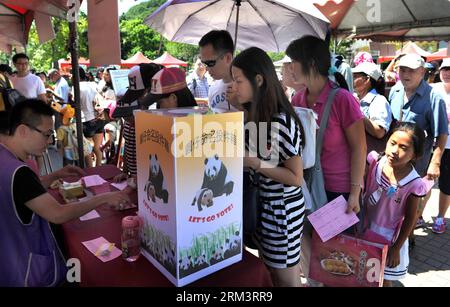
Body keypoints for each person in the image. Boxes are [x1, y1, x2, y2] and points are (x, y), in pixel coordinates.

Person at [0, 99, 131, 286]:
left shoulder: (5, 157)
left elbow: (25, 192)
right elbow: (58, 214)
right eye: (46, 135)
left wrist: (56, 174)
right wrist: (105, 197)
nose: (49, 142)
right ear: (23, 131)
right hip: (23, 267)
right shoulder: (19, 172)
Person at [232, 47, 305, 287]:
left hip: (281, 213)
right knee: (270, 272)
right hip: (263, 208)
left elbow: (295, 177)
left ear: (259, 80)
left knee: (284, 278)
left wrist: (255, 163)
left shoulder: (280, 120)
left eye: (238, 80)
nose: (234, 86)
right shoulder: (256, 114)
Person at [287, 36, 365, 213]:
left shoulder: (343, 100)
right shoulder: (297, 99)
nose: (290, 68)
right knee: (309, 239)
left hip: (338, 190)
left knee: (330, 241)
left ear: (311, 63)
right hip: (306, 184)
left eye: (294, 62)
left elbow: (359, 148)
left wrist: (354, 192)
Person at [389, 54, 448, 232]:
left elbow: (442, 133)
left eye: (411, 71)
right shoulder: (395, 90)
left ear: (422, 72)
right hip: (395, 161)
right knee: (394, 202)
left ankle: (408, 237)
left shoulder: (433, 97)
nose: (405, 74)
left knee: (413, 204)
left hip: (418, 165)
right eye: (402, 69)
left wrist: (435, 162)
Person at [364, 122, 427, 286]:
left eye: (403, 147)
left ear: (415, 155)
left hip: (389, 237)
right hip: (366, 225)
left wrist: (396, 248)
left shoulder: (413, 183)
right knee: (363, 271)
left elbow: (410, 219)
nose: (394, 151)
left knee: (383, 279)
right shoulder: (375, 161)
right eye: (392, 143)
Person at [112, 63, 163, 182]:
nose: (141, 99)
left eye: (142, 94)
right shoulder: (134, 121)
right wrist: (125, 172)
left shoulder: (155, 120)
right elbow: (128, 148)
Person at [352, 62, 393, 153]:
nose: (352, 79)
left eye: (355, 76)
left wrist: (356, 110)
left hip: (369, 158)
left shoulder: (379, 101)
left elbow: (379, 132)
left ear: (367, 80)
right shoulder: (356, 97)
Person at [430, 58, 450, 234]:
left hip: (449, 148)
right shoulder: (433, 89)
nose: (447, 73)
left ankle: (440, 218)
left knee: (446, 185)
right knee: (425, 182)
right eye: (444, 69)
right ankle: (418, 215)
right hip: (431, 145)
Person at [199, 30, 239, 113]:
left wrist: (239, 105)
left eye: (210, 63)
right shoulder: (213, 89)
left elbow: (260, 123)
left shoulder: (246, 88)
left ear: (228, 58)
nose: (207, 69)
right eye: (204, 63)